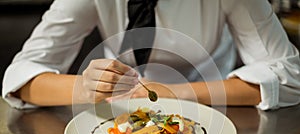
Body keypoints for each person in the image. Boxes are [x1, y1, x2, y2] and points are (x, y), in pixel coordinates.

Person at [2, 0, 300, 110]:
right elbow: (20, 75)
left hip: (211, 101)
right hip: (115, 111)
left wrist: (174, 93)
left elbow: (290, 75)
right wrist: (84, 87)